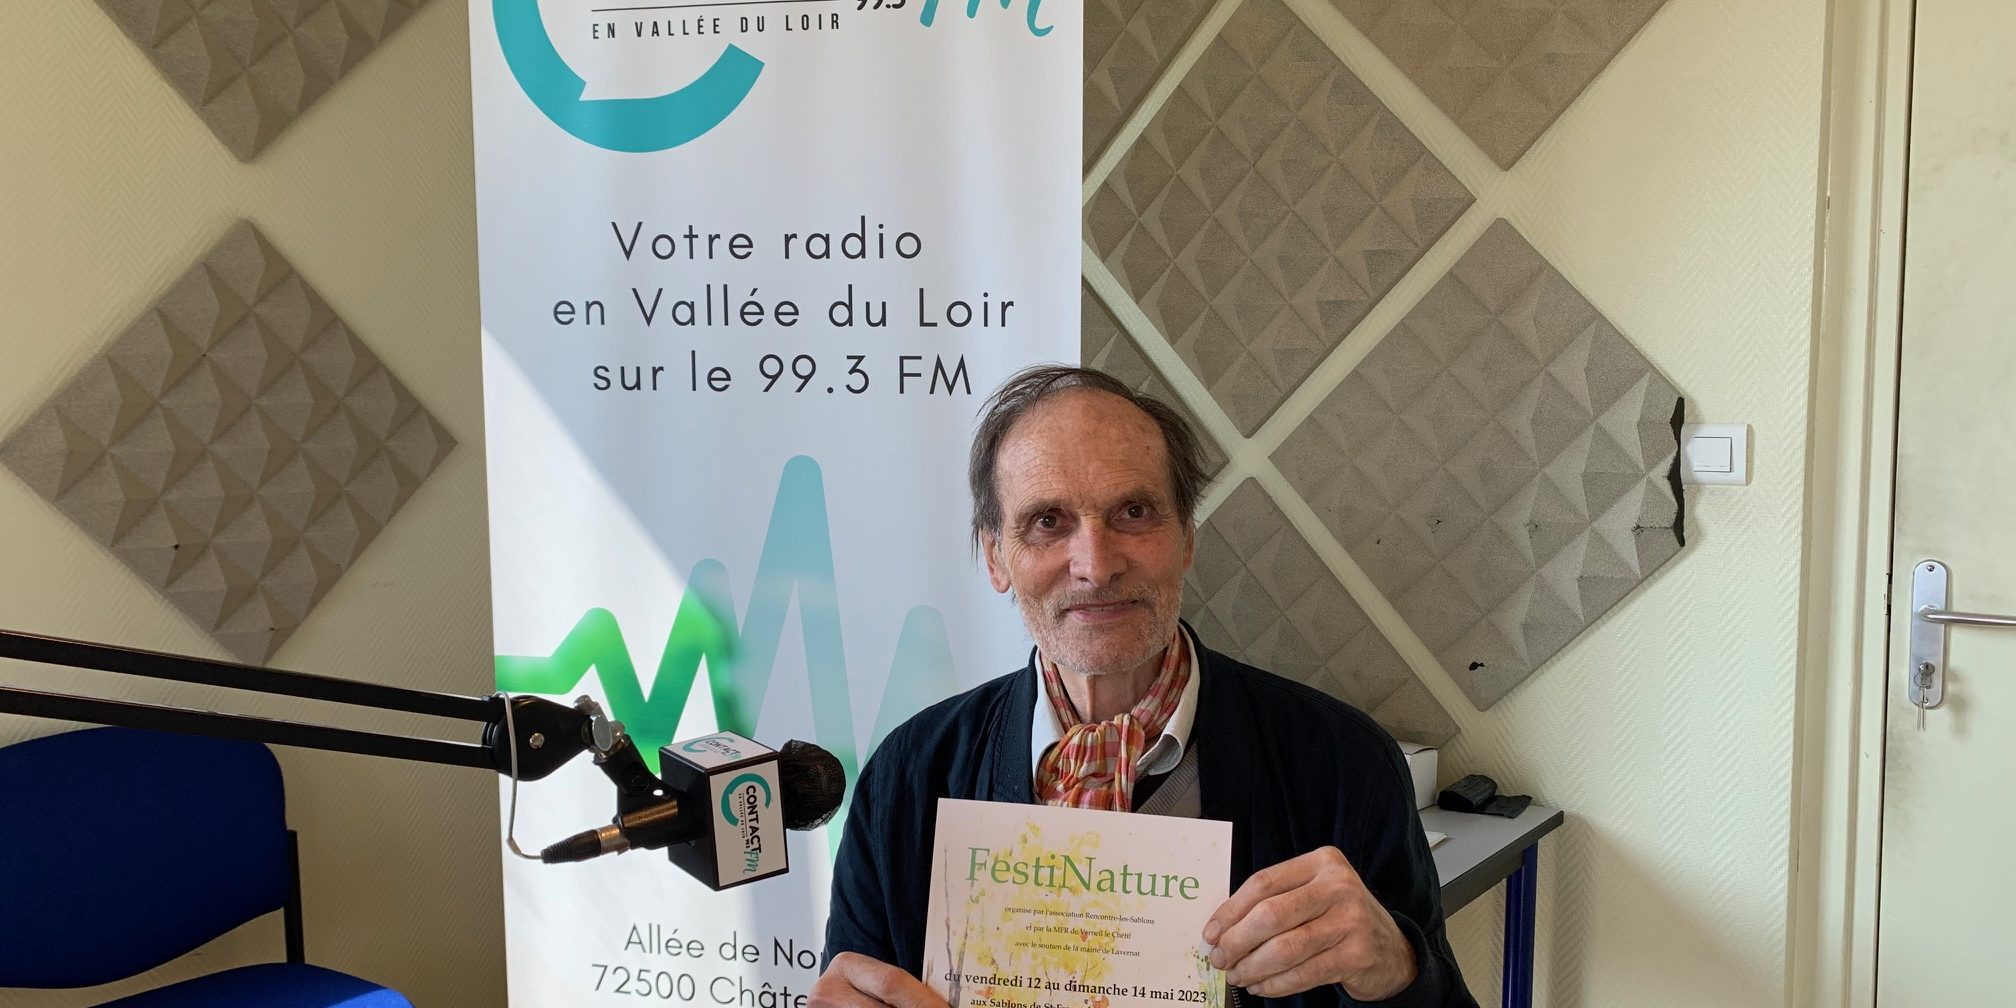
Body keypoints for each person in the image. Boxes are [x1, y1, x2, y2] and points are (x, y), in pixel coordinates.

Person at [813, 366, 1475, 1008]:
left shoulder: (1344, 764)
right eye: (1048, 521)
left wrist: (1397, 972)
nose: (1096, 566)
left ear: (1186, 537)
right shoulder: (907, 778)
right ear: (995, 556)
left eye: (1133, 511)